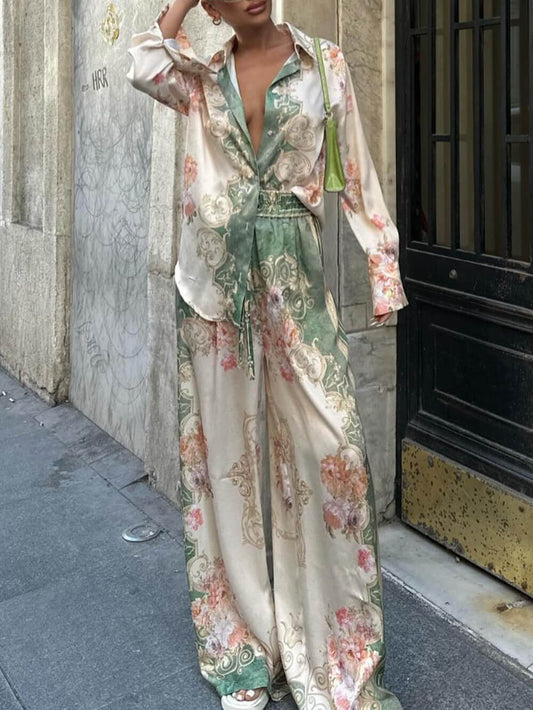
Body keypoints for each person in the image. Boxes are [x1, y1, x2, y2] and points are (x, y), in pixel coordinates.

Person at [126, 1, 408, 708]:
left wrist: (382, 263)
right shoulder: (200, 77)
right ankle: (246, 647)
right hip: (213, 290)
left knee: (335, 452)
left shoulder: (324, 64)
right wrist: (178, 7)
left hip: (295, 285)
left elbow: (356, 170)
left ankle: (338, 654)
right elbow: (144, 62)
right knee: (227, 466)